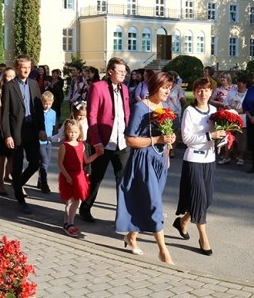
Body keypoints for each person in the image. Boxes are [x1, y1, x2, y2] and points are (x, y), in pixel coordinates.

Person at [115, 71, 176, 265]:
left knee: (147, 201)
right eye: (165, 87)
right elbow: (130, 140)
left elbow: (165, 135)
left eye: (169, 88)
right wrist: (157, 140)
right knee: (154, 205)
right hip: (143, 161)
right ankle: (163, 251)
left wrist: (169, 142)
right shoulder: (140, 108)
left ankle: (131, 236)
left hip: (159, 162)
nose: (168, 91)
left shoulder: (164, 107)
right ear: (155, 87)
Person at [174, 77, 225, 256]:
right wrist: (210, 136)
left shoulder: (214, 110)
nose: (203, 93)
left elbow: (219, 134)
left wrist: (223, 138)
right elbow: (186, 139)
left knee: (207, 199)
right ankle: (204, 238)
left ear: (211, 91)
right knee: (199, 199)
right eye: (199, 90)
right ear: (194, 92)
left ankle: (183, 221)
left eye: (207, 90)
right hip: (194, 160)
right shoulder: (189, 111)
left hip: (209, 160)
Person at [80, 57, 130, 223]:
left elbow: (125, 114)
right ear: (110, 72)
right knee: (96, 178)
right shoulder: (98, 87)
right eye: (120, 71)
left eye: (125, 71)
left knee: (123, 182)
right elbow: (92, 116)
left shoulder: (124, 88)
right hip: (103, 142)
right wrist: (97, 141)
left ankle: (122, 217)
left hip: (122, 142)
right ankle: (85, 208)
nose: (124, 74)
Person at [1, 55, 47, 214]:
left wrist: (42, 129)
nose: (26, 69)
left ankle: (17, 183)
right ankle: (20, 199)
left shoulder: (34, 84)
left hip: (32, 129)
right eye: (23, 67)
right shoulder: (9, 86)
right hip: (16, 131)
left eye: (29, 67)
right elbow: (5, 113)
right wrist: (7, 135)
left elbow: (39, 109)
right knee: (18, 163)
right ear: (16, 68)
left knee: (35, 162)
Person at [58, 118, 103, 237]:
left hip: (79, 175)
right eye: (70, 131)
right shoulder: (64, 146)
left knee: (76, 200)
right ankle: (67, 223)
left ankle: (70, 222)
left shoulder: (81, 145)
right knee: (69, 200)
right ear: (66, 132)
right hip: (68, 175)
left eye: (75, 132)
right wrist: (67, 176)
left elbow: (86, 160)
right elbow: (60, 164)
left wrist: (97, 154)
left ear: (80, 133)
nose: (73, 134)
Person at [0, 67, 16, 196]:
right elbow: (0, 114)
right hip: (3, 130)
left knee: (12, 158)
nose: (11, 78)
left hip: (15, 129)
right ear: (3, 78)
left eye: (13, 76)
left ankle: (13, 180)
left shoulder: (17, 91)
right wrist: (4, 131)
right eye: (8, 76)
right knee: (2, 157)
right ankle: (0, 183)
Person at [218, 75, 249, 166]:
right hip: (230, 118)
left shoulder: (248, 93)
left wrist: (236, 111)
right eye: (238, 82)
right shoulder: (232, 92)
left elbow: (247, 107)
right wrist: (229, 109)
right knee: (228, 137)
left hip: (242, 119)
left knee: (241, 139)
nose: (238, 84)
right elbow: (226, 102)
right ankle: (227, 156)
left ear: (245, 84)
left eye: (241, 82)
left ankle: (240, 157)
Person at [37, 91, 58, 193]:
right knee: (44, 162)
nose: (47, 106)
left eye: (49, 103)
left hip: (49, 141)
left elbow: (54, 126)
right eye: (45, 103)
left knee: (46, 162)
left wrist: (54, 136)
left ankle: (40, 179)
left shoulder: (53, 113)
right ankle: (44, 183)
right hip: (40, 142)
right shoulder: (39, 112)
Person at [166, 71, 186, 158]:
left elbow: (183, 100)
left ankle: (173, 150)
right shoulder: (165, 86)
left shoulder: (178, 89)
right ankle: (166, 149)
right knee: (166, 131)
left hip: (174, 112)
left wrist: (178, 107)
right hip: (164, 112)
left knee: (174, 131)